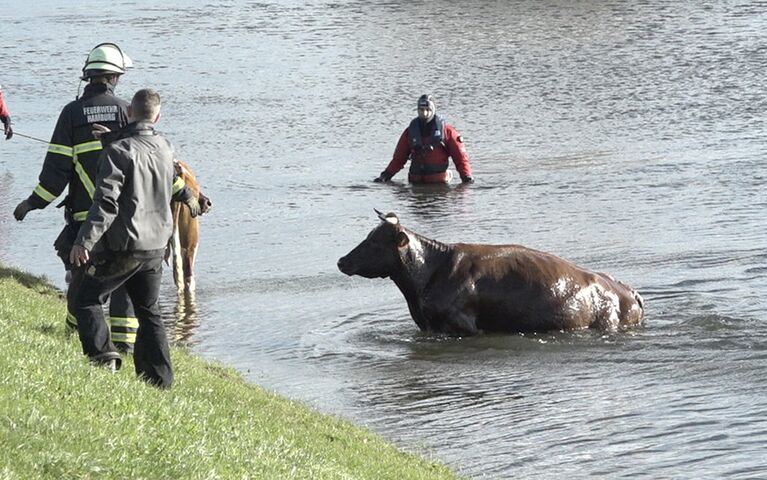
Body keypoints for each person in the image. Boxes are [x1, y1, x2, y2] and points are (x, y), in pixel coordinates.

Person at [12, 43, 141, 352]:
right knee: (123, 283)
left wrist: (31, 203)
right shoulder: (127, 111)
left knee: (84, 283)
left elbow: (56, 172)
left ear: (87, 77)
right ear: (116, 78)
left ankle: (86, 338)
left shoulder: (71, 114)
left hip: (85, 220)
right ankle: (124, 347)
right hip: (123, 218)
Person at [70, 88, 200, 388]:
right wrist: (193, 198)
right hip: (156, 248)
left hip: (123, 247)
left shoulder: (117, 152)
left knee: (86, 299)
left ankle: (104, 357)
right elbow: (166, 174)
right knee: (149, 310)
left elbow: (106, 203)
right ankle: (159, 380)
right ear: (158, 115)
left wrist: (83, 242)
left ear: (128, 112)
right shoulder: (165, 147)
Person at [374, 94, 474, 184]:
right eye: (421, 110)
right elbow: (398, 160)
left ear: (433, 110)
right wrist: (385, 176)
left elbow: (461, 160)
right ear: (417, 110)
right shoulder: (410, 132)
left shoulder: (448, 132)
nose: (424, 113)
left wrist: (466, 177)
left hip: (439, 183)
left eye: (428, 110)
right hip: (415, 182)